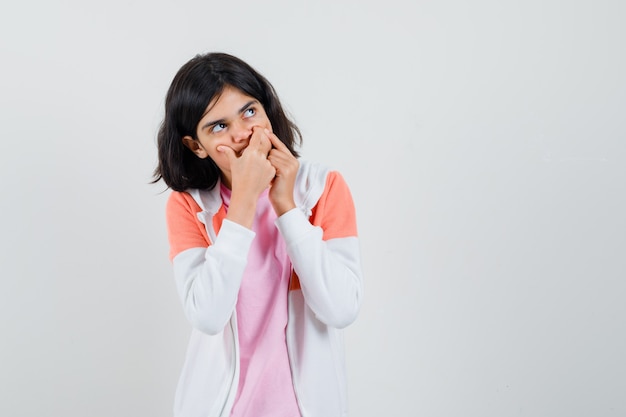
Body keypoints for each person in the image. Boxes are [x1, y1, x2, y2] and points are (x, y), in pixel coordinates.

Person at [152, 52, 363, 417]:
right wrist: (244, 202)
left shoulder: (322, 188)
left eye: (249, 111)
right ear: (195, 145)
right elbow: (208, 316)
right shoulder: (189, 206)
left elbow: (341, 309)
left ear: (267, 111)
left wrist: (287, 206)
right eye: (218, 126)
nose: (241, 133)